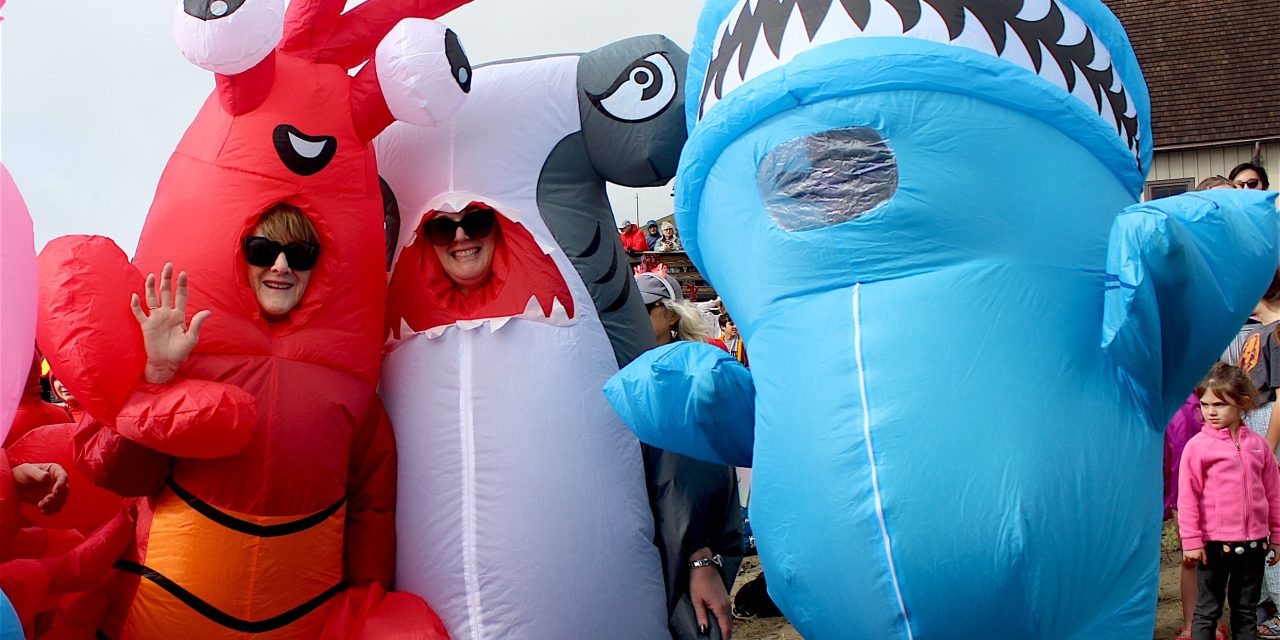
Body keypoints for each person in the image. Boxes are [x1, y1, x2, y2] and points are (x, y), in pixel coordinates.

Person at [63, 202, 423, 638]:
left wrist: (365, 605)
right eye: (263, 249)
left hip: (299, 620)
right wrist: (155, 379)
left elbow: (372, 513)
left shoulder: (356, 395)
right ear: (242, 257)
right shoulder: (188, 361)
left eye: (301, 254)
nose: (281, 265)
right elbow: (122, 476)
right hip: (164, 615)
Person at [636, 271, 743, 640]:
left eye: (644, 308)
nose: (631, 316)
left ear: (671, 316)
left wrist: (699, 557)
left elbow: (696, 481)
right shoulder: (637, 372)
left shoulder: (684, 375)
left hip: (685, 555)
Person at [1179, 363, 1280, 640]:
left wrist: (1277, 535)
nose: (1210, 412)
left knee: (1245, 611)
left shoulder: (1258, 445)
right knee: (1207, 611)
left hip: (1253, 546)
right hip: (1212, 546)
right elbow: (1187, 497)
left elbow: (1273, 493)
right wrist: (1192, 541)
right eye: (1204, 404)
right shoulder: (1197, 447)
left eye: (1220, 405)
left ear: (1242, 403)